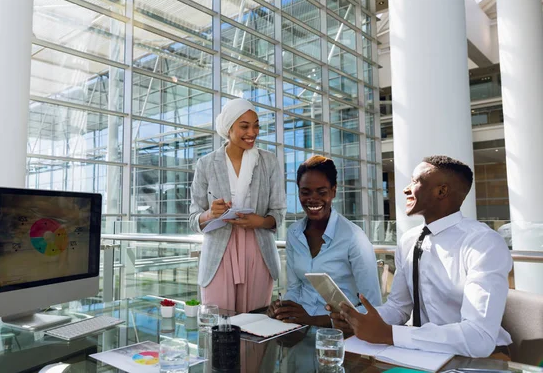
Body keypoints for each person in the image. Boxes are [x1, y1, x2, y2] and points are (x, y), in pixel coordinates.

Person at [329, 155, 513, 358]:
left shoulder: (483, 242)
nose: (406, 189)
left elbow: (479, 338)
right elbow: (399, 308)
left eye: (415, 182)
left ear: (441, 191)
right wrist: (360, 321)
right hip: (423, 353)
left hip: (480, 359)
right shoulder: (409, 241)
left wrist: (390, 334)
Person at [189, 98, 286, 313]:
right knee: (218, 325)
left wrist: (258, 221)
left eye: (256, 125)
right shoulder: (206, 164)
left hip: (258, 249)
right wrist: (209, 214)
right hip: (218, 252)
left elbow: (278, 212)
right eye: (244, 126)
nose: (252, 132)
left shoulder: (269, 162)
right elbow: (194, 217)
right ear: (229, 128)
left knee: (256, 323)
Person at [268, 156, 381, 326]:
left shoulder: (354, 237)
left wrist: (313, 320)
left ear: (333, 191)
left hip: (340, 333)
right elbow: (294, 289)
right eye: (305, 192)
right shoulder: (293, 234)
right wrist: (283, 308)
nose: (312, 199)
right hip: (299, 328)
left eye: (321, 192)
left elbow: (372, 307)